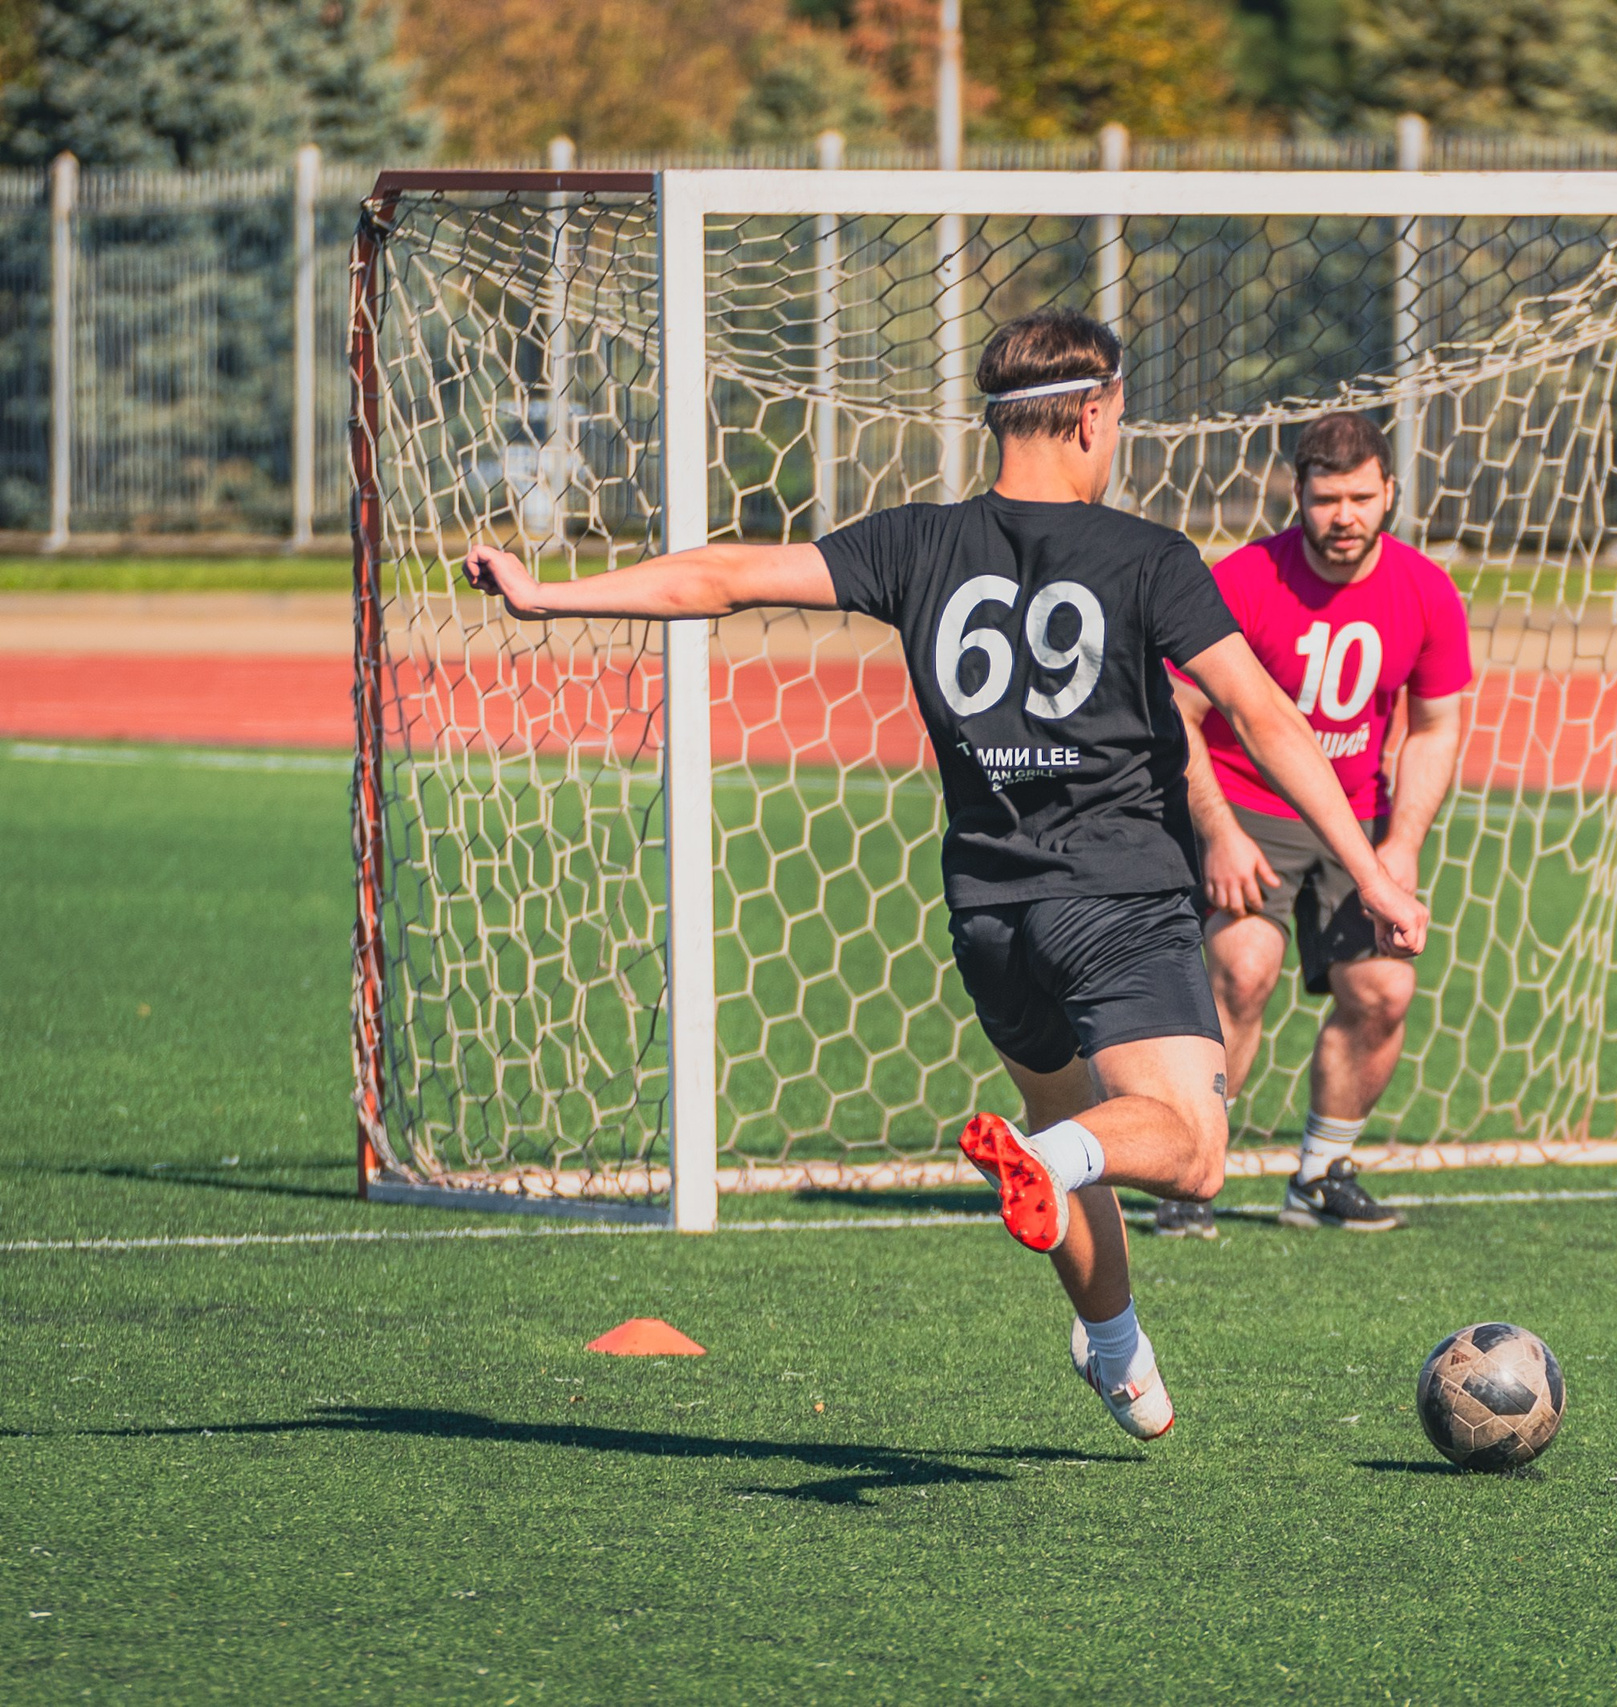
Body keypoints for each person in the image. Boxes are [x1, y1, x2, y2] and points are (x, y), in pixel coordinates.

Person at [458, 310, 1427, 1441]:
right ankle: (1046, 1162)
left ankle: (1116, 1354)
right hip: (1114, 896)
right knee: (1188, 1145)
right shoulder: (1147, 557)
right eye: (1117, 416)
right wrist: (1370, 868)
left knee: (1080, 1135)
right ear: (1091, 413)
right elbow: (1263, 715)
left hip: (988, 913)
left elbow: (722, 577)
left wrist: (546, 596)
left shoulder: (916, 540)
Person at [1158, 411, 1473, 1240]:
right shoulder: (1246, 578)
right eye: (1327, 497)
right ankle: (1189, 1173)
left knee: (1384, 988)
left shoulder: (1426, 589)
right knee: (1246, 966)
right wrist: (1218, 831)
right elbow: (1176, 712)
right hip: (1243, 809)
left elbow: (1436, 728)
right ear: (1296, 493)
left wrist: (1399, 844)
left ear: (1390, 492)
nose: (1344, 516)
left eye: (1362, 497)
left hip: (1357, 825)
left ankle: (1320, 1173)